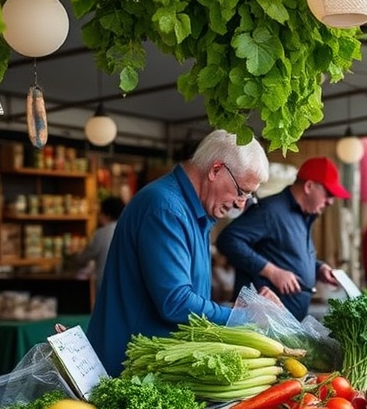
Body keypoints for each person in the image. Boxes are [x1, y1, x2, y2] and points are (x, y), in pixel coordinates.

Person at [88, 130, 270, 375]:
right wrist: (242, 317)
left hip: (153, 368)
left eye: (249, 196)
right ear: (216, 170)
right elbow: (175, 301)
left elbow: (189, 295)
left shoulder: (195, 212)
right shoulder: (165, 208)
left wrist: (244, 307)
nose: (241, 203)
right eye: (241, 191)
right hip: (128, 370)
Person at [217, 156, 348, 320]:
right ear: (309, 186)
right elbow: (228, 239)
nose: (330, 201)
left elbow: (288, 254)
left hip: (288, 323)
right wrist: (272, 272)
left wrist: (318, 268)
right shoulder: (270, 211)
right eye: (328, 194)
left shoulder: (304, 215)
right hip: (263, 323)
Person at [73, 196, 125, 291]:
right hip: (126, 285)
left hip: (106, 285)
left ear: (107, 215)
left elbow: (83, 258)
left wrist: (74, 256)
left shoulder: (101, 234)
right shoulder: (129, 231)